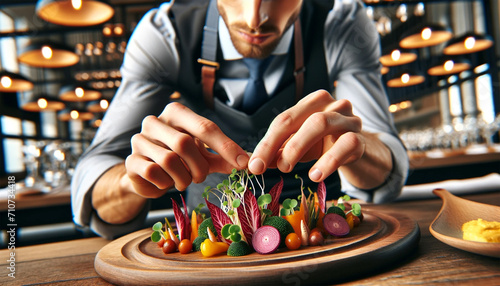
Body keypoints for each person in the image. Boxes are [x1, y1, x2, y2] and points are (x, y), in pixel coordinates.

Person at [71, 0, 409, 239]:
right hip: (209, 248)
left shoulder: (342, 22)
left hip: (323, 238)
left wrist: (360, 149)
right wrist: (132, 181)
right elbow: (93, 172)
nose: (254, 18)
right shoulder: (166, 33)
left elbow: (386, 168)